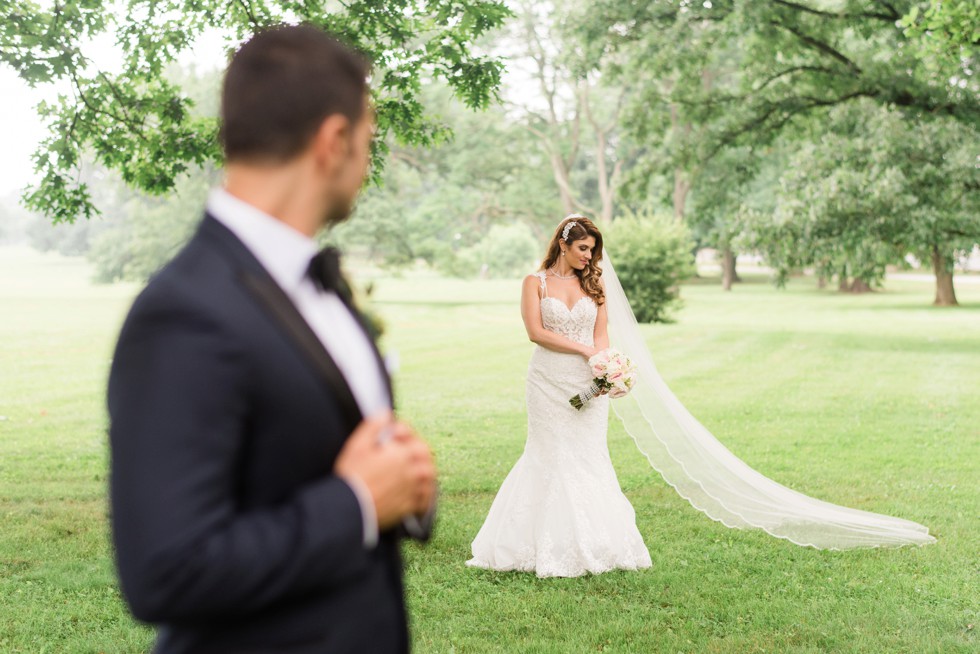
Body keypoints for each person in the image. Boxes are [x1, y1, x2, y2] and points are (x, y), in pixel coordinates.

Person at [107, 26, 436, 653]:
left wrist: (407, 485)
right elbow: (165, 570)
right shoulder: (184, 313)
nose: (368, 165)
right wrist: (357, 503)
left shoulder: (318, 286)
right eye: (368, 141)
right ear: (333, 141)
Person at [467, 216, 652, 577]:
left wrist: (606, 371)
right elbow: (536, 332)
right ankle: (534, 545)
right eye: (584, 248)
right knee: (548, 453)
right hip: (546, 382)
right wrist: (585, 351)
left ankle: (599, 543)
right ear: (563, 244)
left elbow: (601, 336)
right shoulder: (534, 283)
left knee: (588, 457)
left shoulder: (595, 283)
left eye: (593, 251)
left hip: (587, 383)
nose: (589, 256)